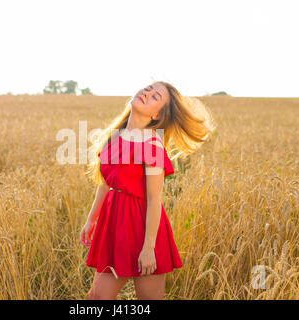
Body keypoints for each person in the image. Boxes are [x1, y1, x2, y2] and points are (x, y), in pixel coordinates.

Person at [80, 81, 216, 300]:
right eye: (148, 89)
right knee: (97, 298)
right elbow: (106, 183)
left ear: (156, 116)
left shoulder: (151, 144)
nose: (147, 93)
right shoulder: (116, 137)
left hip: (143, 228)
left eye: (155, 97)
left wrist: (148, 248)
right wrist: (91, 219)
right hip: (114, 223)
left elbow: (154, 199)